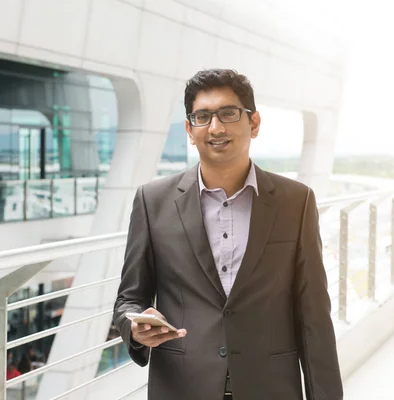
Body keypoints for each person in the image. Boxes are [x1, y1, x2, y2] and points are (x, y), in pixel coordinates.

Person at [113, 69, 343, 400]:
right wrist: (134, 327)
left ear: (254, 123)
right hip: (182, 387)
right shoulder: (152, 201)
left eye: (228, 114)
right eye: (202, 117)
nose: (216, 127)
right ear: (190, 131)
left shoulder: (297, 201)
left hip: (271, 388)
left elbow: (314, 319)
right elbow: (128, 299)